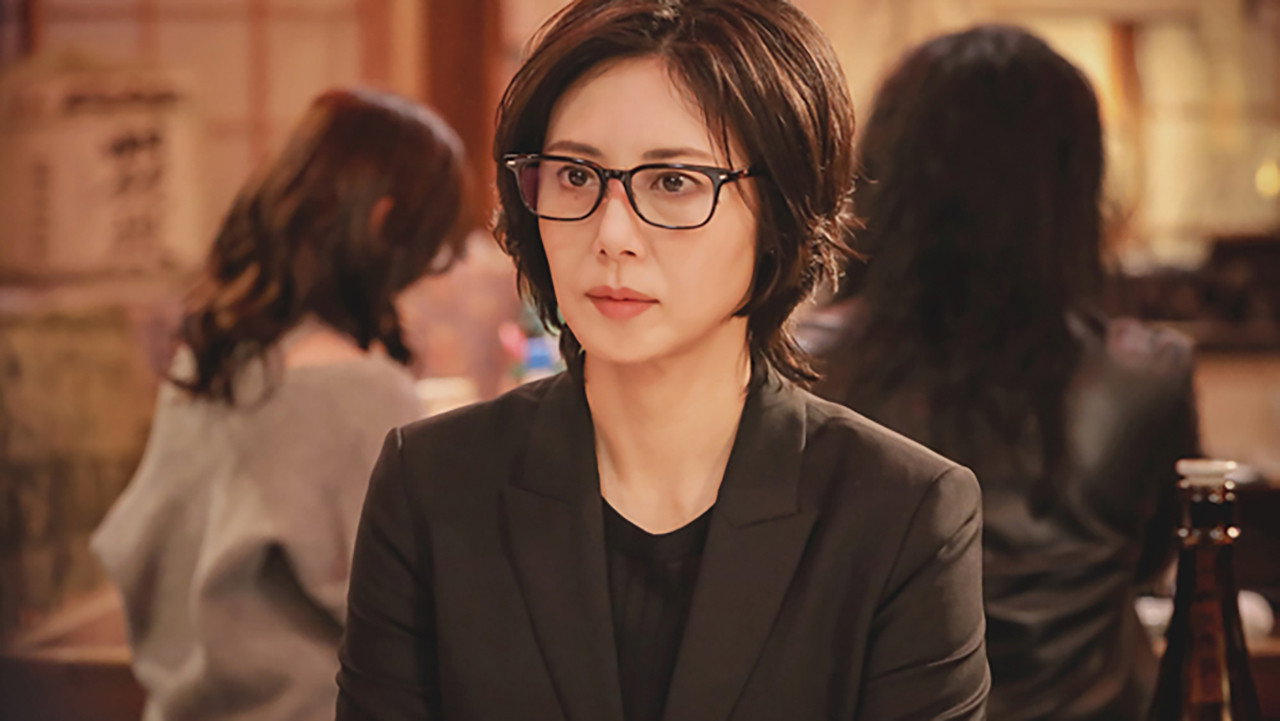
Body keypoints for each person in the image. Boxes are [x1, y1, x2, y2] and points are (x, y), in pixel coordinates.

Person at [336, 2, 989, 720]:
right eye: (575, 176)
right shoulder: (433, 484)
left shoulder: (901, 514)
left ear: (780, 212)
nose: (612, 233)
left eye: (673, 181)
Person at [803, 25, 1201, 721]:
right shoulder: (1146, 376)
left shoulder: (803, 362)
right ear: (1072, 184)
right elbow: (1155, 559)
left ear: (886, 176)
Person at [91, 88, 468, 721]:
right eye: (430, 248)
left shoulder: (205, 366)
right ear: (383, 223)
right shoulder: (361, 393)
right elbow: (436, 622)